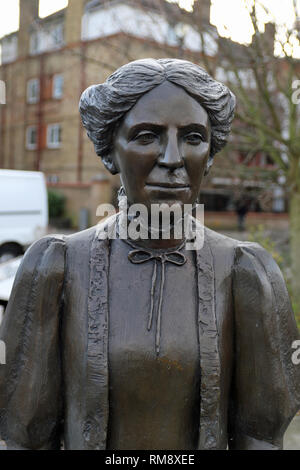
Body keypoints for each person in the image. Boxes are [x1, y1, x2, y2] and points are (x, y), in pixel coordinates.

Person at [0, 59, 299, 450]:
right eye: (146, 136)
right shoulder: (56, 267)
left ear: (209, 154)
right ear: (110, 151)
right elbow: (23, 439)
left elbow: (261, 439)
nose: (173, 158)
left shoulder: (246, 272)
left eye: (193, 137)